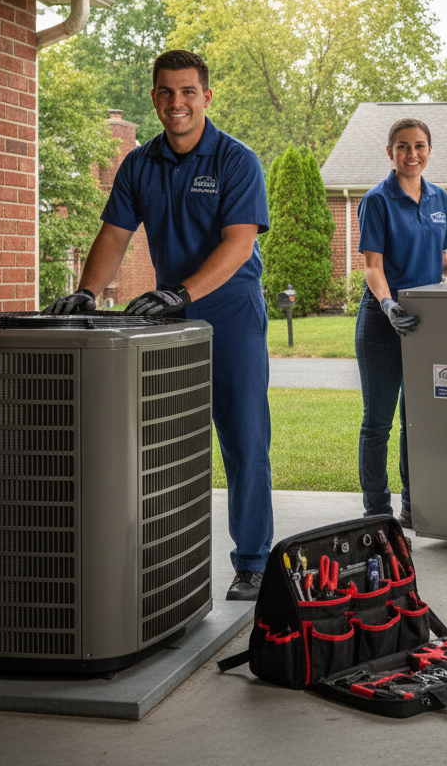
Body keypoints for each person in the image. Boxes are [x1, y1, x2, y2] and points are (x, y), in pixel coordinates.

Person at [45, 49, 272, 601]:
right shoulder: (138, 165)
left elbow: (239, 244)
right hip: (168, 314)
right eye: (167, 92)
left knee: (244, 435)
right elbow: (114, 237)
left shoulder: (237, 160)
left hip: (229, 308)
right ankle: (168, 557)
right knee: (163, 440)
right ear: (153, 98)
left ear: (207, 97)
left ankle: (253, 561)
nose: (177, 103)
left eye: (188, 91)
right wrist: (86, 291)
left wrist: (183, 291)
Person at [356, 117, 447, 529]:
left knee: (416, 419)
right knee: (379, 420)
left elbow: (441, 262)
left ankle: (411, 501)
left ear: (429, 151)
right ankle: (376, 508)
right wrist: (387, 305)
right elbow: (372, 266)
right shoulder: (377, 200)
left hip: (425, 321)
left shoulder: (439, 198)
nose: (412, 154)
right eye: (403, 146)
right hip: (384, 320)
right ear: (390, 152)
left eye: (419, 146)